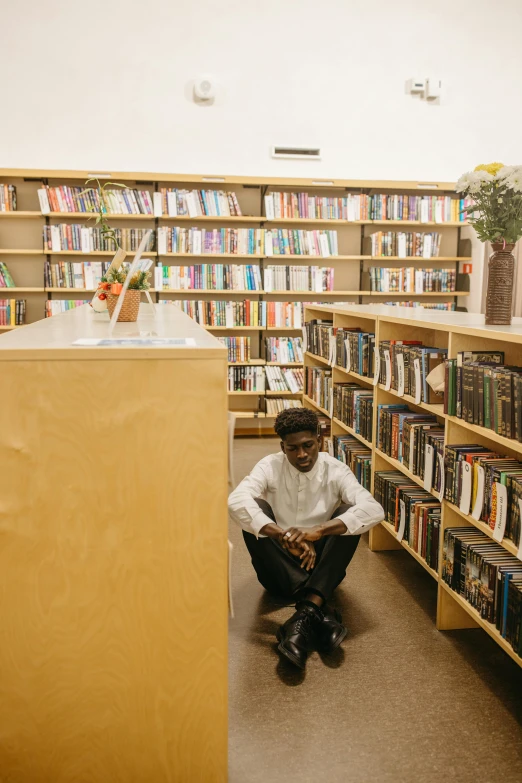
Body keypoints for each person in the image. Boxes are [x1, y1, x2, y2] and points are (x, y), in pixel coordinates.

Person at [228, 407, 385, 669]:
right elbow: (235, 501)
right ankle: (317, 608)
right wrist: (284, 535)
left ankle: (301, 618)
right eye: (292, 448)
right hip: (280, 572)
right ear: (282, 446)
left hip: (320, 565)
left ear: (320, 441)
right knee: (254, 509)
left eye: (308, 445)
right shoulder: (269, 466)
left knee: (350, 515)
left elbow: (374, 510)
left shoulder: (336, 470)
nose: (301, 455)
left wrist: (320, 531)